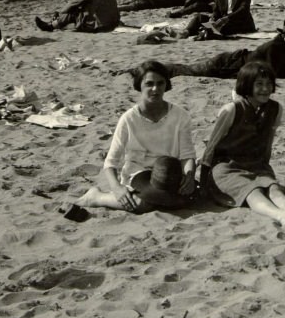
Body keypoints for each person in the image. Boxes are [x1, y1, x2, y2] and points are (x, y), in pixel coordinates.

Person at [199, 61, 285, 226]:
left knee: (272, 188)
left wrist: (265, 169)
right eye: (259, 84)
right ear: (246, 85)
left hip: (256, 164)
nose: (266, 89)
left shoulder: (275, 109)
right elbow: (211, 147)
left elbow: (268, 142)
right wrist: (204, 182)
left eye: (269, 84)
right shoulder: (232, 110)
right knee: (252, 191)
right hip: (226, 168)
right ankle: (280, 215)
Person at [74, 60, 196, 213]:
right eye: (149, 84)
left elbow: (187, 155)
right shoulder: (129, 119)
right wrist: (117, 188)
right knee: (141, 205)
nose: (155, 89)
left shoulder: (180, 116)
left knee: (188, 201)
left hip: (168, 173)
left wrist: (189, 176)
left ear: (167, 85)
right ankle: (97, 197)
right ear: (139, 85)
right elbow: (110, 162)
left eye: (160, 83)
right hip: (139, 173)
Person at [159, 17, 285, 81]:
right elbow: (275, 73)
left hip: (233, 63)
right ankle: (158, 69)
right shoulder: (274, 47)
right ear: (284, 36)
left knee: (190, 69)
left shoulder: (284, 48)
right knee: (190, 71)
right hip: (227, 64)